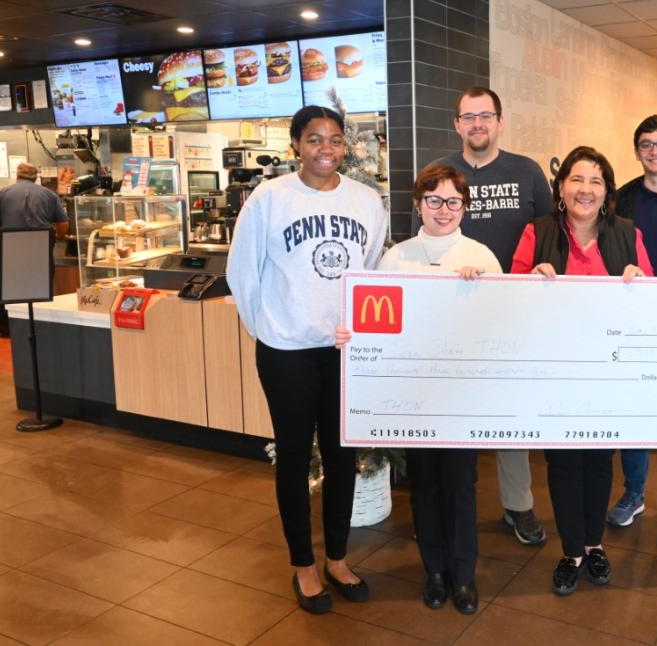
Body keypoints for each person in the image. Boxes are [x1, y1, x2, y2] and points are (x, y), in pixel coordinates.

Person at [227, 106, 387, 615]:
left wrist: (359, 333)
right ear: (296, 143)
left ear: (345, 147)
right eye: (315, 139)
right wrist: (271, 329)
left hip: (343, 349)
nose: (326, 149)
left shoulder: (366, 200)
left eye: (335, 140)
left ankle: (338, 558)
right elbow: (243, 273)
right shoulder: (269, 198)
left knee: (342, 457)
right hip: (287, 352)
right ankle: (303, 564)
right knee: (295, 458)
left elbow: (374, 270)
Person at [337, 164, 500, 615]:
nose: (443, 211)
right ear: (418, 205)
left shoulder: (483, 257)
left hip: (463, 398)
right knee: (424, 485)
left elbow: (501, 325)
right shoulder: (397, 257)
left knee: (462, 486)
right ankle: (434, 570)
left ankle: (463, 576)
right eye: (434, 200)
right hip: (413, 399)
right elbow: (377, 325)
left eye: (452, 201)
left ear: (465, 206)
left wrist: (480, 292)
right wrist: (352, 337)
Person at [510, 146, 654, 595]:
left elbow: (654, 300)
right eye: (576, 179)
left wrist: (641, 283)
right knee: (563, 463)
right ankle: (572, 551)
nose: (585, 189)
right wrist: (530, 282)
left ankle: (595, 545)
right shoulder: (538, 231)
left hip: (607, 375)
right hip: (554, 372)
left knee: (598, 462)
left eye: (595, 181)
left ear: (607, 190)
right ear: (561, 187)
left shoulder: (629, 234)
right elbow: (508, 294)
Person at [425, 86, 554, 546]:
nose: (477, 124)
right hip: (451, 314)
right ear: (457, 124)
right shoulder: (440, 172)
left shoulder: (527, 171)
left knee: (508, 413)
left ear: (500, 121)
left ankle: (518, 506)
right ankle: (446, 508)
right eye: (468, 117)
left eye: (486, 116)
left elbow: (547, 233)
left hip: (511, 312)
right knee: (449, 410)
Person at [609, 115, 657, 530]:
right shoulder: (621, 199)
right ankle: (634, 492)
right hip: (632, 319)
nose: (654, 150)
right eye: (645, 144)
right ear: (637, 151)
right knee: (633, 412)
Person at [0, 162, 68, 336]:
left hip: (11, 251)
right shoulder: (49, 195)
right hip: (40, 249)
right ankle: (39, 325)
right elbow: (63, 223)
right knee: (40, 287)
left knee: (7, 288)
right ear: (36, 177)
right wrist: (58, 237)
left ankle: (7, 329)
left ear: (17, 175)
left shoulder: (3, 193)